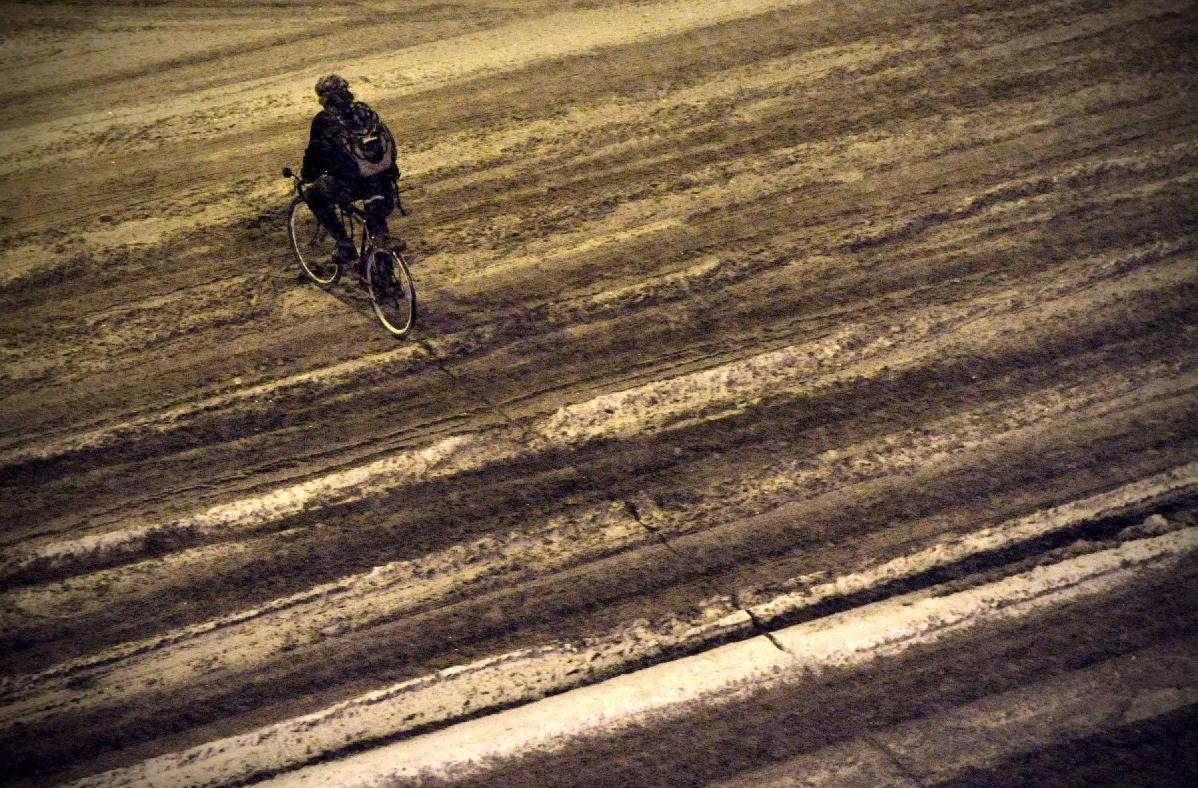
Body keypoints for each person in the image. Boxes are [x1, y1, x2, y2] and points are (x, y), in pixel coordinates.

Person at [300, 74, 403, 271]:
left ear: (323, 99)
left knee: (313, 196)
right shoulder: (364, 111)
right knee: (376, 224)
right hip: (384, 182)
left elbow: (316, 155)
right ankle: (387, 281)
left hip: (352, 186)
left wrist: (308, 175)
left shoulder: (324, 120)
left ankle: (345, 246)